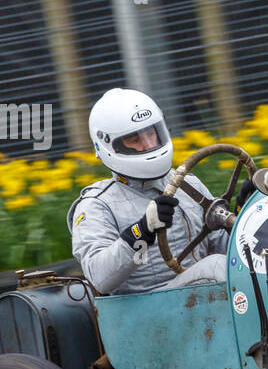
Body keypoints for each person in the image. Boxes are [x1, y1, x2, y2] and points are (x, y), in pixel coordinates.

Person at [68, 88, 231, 294]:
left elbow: (228, 251)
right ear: (111, 146)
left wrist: (245, 215)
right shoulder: (97, 204)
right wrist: (141, 232)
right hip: (146, 309)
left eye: (151, 134)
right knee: (215, 266)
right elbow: (100, 278)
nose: (148, 144)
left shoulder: (189, 185)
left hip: (203, 297)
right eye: (135, 140)